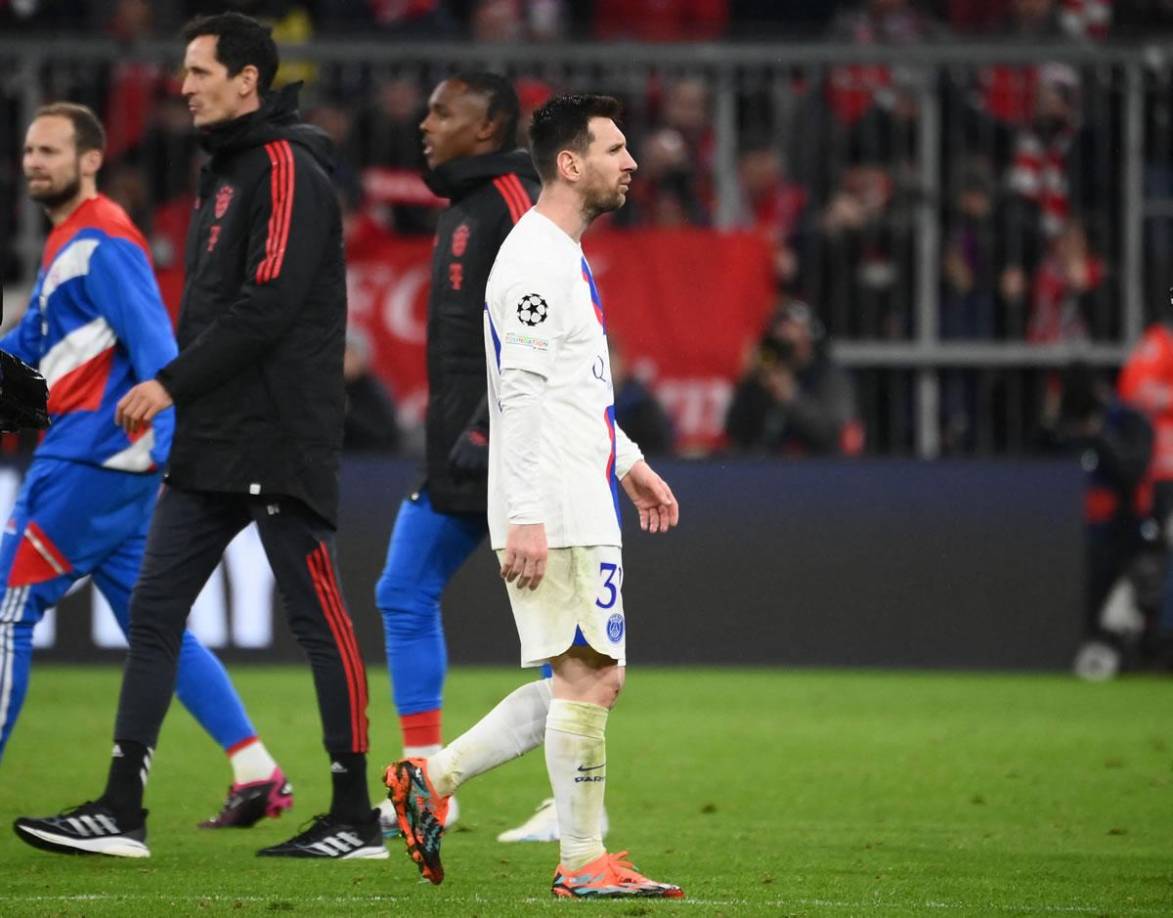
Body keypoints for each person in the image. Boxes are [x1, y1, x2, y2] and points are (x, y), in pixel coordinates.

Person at [14, 13, 381, 860]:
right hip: (213, 438)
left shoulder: (286, 165)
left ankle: (354, 816)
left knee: (317, 619)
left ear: (248, 79)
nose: (184, 85)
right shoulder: (224, 171)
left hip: (280, 434)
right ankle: (120, 808)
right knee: (153, 613)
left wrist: (169, 382)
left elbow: (271, 303)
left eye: (200, 71)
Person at [383, 93, 684, 899]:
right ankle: (583, 862)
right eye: (615, 149)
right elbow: (516, 394)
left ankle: (432, 779)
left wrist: (628, 461)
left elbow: (576, 388)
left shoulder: (559, 253)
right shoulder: (531, 262)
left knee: (580, 677)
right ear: (569, 162)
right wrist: (522, 513)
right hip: (552, 497)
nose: (630, 163)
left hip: (578, 486)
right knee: (591, 678)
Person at [1, 102, 292, 831]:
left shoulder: (103, 239)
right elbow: (29, 342)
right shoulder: (67, 240)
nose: (34, 161)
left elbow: (159, 350)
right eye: (29, 151)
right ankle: (255, 768)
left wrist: (156, 439)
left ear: (91, 159)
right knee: (154, 623)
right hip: (105, 461)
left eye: (50, 150)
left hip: (94, 457)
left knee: (7, 608)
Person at [374, 70, 589, 844]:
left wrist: (489, 439)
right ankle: (430, 778)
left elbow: (546, 337)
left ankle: (565, 805)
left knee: (556, 639)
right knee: (402, 591)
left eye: (443, 111)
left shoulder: (510, 207)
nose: (424, 122)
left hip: (507, 458)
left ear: (489, 126)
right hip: (460, 456)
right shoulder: (466, 205)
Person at [725, 299, 861, 456]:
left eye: (795, 332)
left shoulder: (829, 376)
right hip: (768, 469)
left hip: (818, 469)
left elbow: (836, 436)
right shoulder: (765, 374)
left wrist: (792, 397)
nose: (785, 338)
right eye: (781, 333)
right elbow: (735, 432)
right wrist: (747, 380)